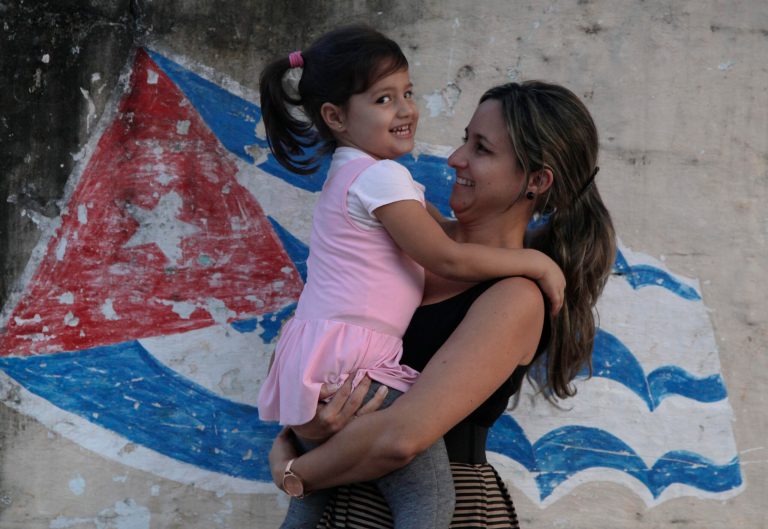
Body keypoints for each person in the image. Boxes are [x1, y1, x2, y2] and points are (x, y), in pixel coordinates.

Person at [266, 80, 617, 528]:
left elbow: (402, 437)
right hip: (341, 503)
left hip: (441, 508)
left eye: (482, 149)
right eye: (465, 139)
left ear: (536, 180)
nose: (456, 158)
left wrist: (294, 473)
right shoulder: (409, 233)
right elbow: (317, 339)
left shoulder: (516, 295)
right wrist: (305, 427)